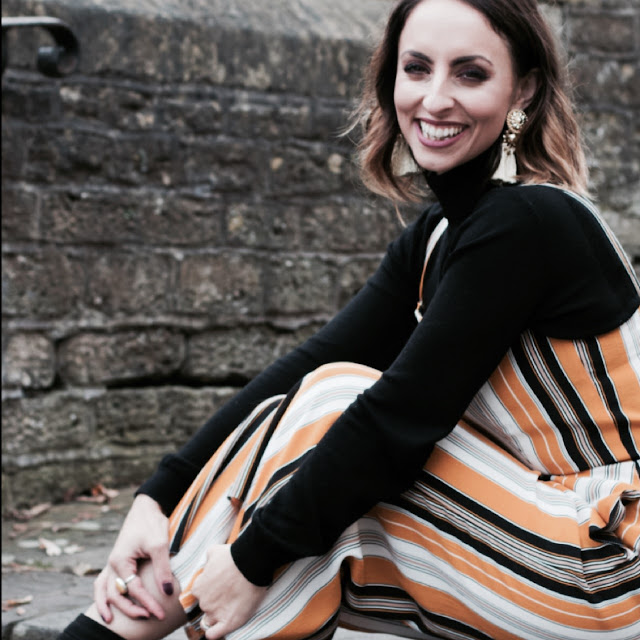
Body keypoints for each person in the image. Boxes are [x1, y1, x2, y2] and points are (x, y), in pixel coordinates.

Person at [58, 0, 640, 639]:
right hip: (543, 534)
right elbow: (307, 364)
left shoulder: (528, 222)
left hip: (614, 562)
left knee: (331, 431)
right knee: (318, 462)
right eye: (416, 69)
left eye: (470, 74)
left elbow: (399, 417)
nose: (434, 99)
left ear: (522, 89)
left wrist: (250, 559)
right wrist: (155, 497)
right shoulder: (441, 233)